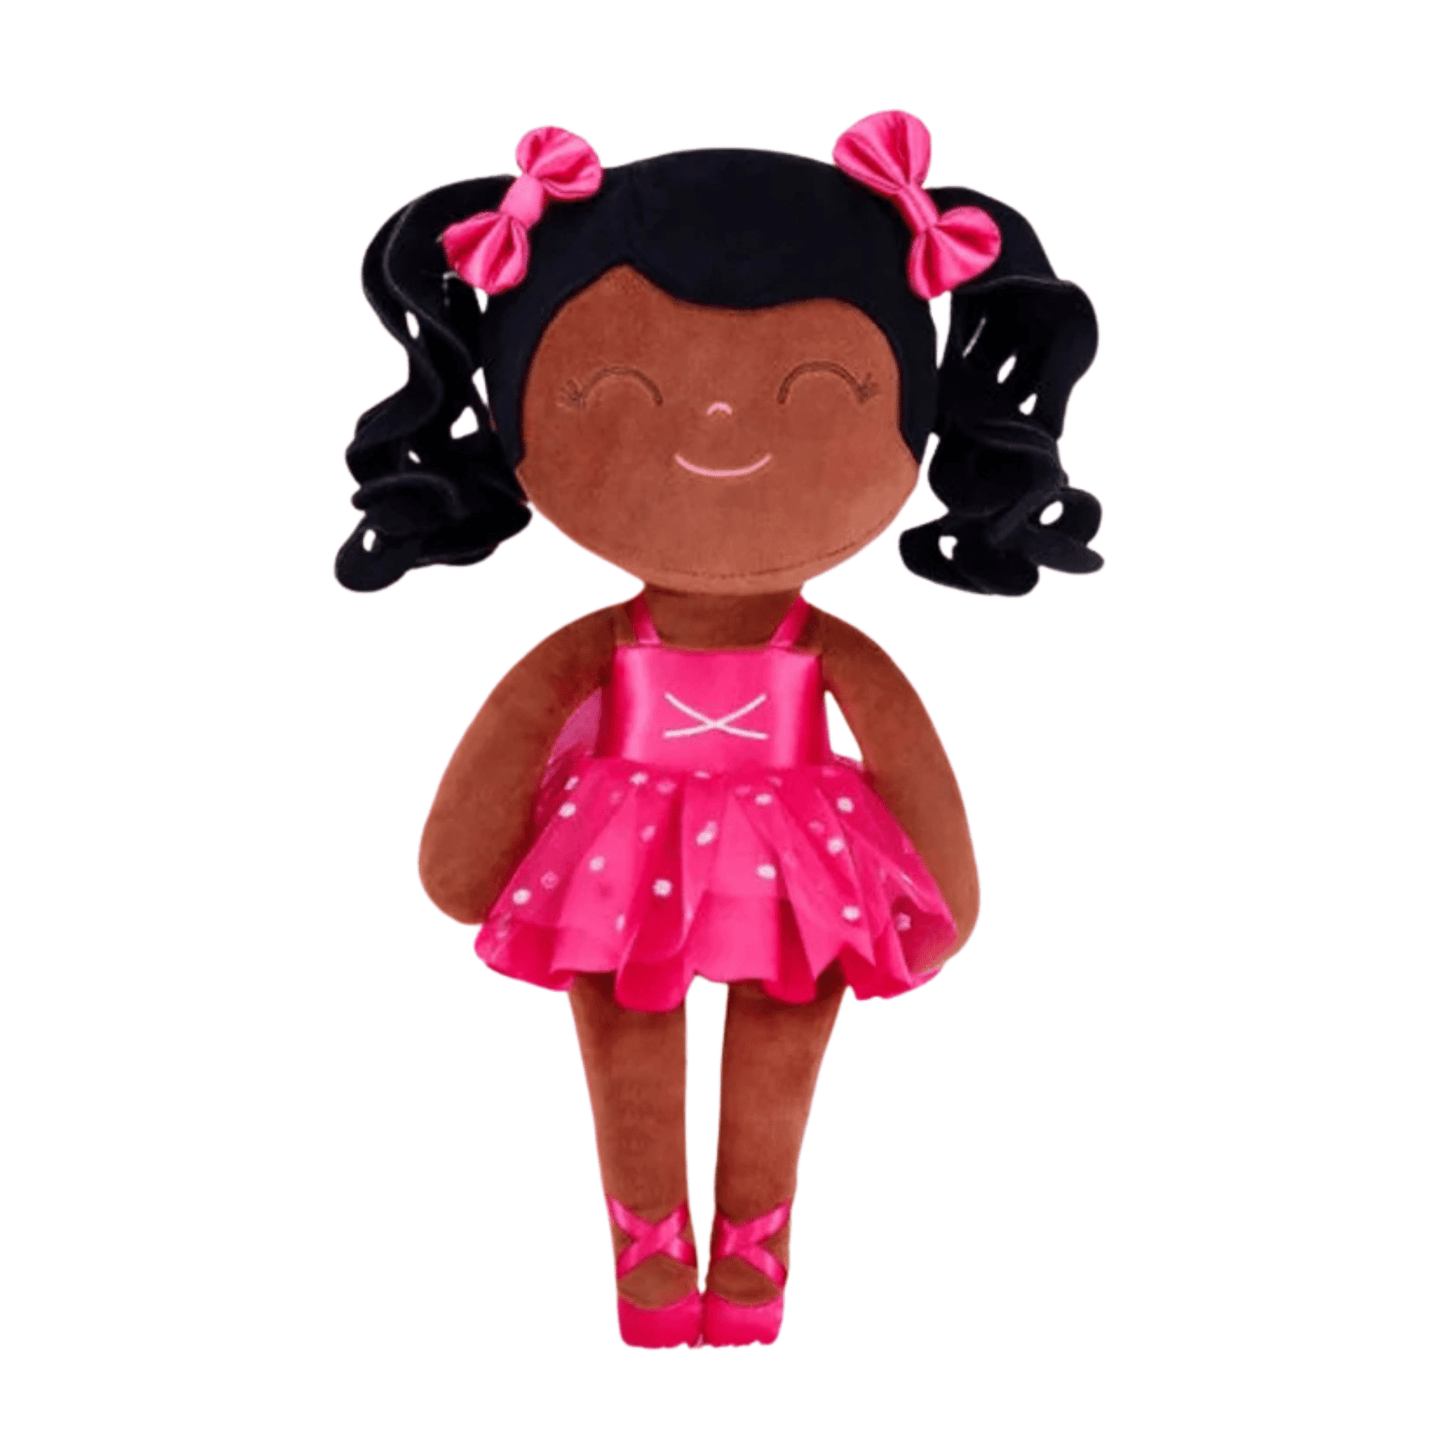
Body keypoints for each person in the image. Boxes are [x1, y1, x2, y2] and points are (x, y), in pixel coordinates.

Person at [338, 112, 1100, 1347]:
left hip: (798, 854)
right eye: (622, 395)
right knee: (625, 1037)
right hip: (621, 842)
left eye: (815, 393)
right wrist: (468, 855)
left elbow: (900, 745)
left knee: (780, 1040)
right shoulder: (603, 639)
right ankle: (646, 1247)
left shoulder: (828, 647)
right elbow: (519, 726)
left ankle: (754, 1247)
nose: (718, 429)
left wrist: (942, 883)